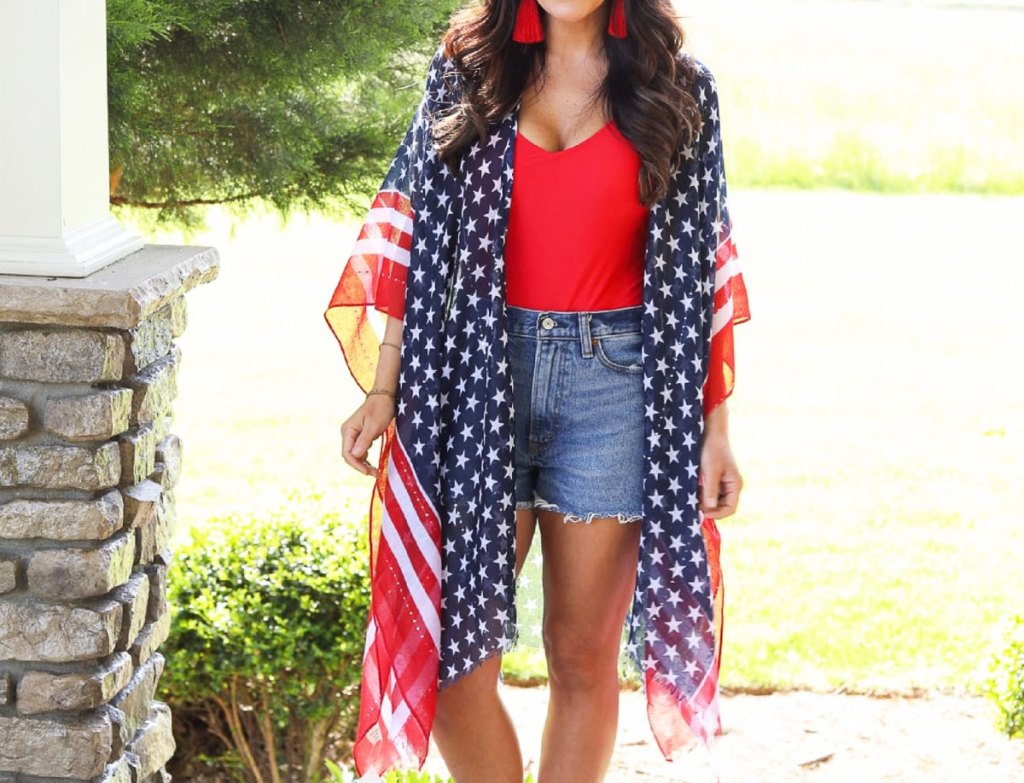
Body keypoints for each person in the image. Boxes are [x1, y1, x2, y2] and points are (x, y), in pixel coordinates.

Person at [324, 1, 750, 781]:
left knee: (582, 656)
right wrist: (383, 388)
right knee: (451, 660)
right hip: (479, 373)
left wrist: (716, 427)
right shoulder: (468, 72)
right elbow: (416, 234)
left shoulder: (679, 86)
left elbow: (700, 274)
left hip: (618, 385)